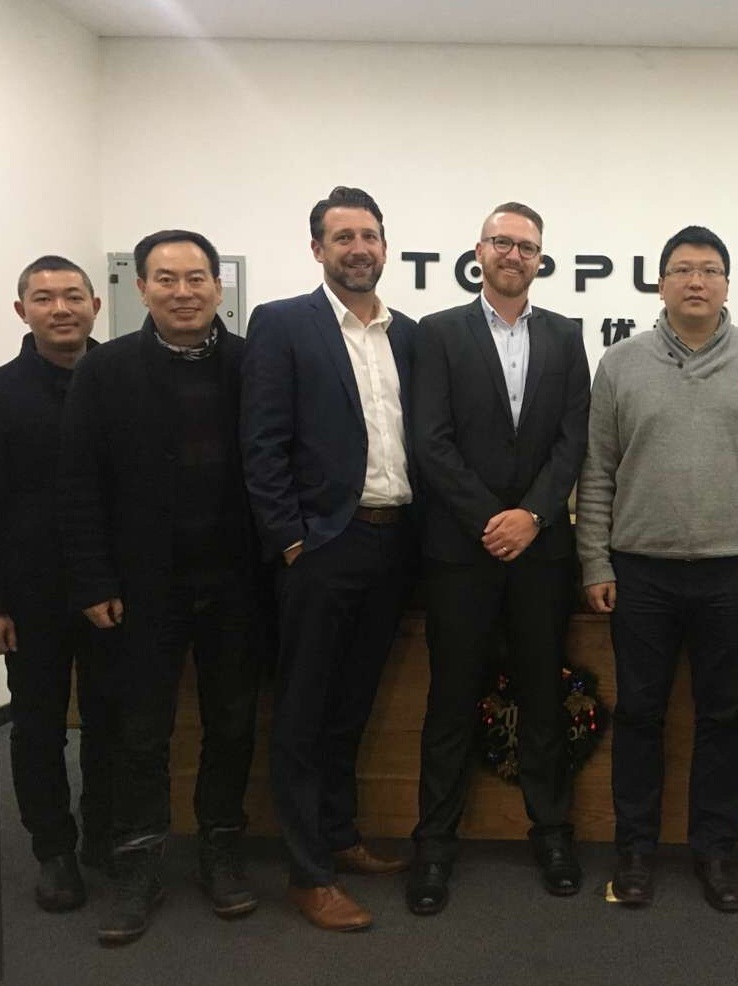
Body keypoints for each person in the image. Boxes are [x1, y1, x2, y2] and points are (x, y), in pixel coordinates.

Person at [576, 225, 738, 912]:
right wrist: (594, 560)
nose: (695, 281)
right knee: (639, 715)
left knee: (723, 718)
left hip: (733, 572)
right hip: (639, 571)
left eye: (708, 270)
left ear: (728, 284)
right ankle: (635, 851)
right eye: (681, 269)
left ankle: (715, 851)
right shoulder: (621, 363)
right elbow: (597, 470)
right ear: (660, 283)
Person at [60, 231, 262, 945]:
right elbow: (78, 482)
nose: (184, 292)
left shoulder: (251, 363)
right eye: (167, 279)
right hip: (142, 587)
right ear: (141, 288)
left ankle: (219, 850)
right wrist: (91, 577)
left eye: (197, 278)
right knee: (140, 732)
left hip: (236, 583)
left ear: (217, 287)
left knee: (232, 724)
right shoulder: (105, 369)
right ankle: (138, 864)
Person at [241, 186, 417, 933]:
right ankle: (308, 873)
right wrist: (291, 538)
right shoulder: (283, 324)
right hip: (322, 547)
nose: (358, 248)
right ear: (317, 249)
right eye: (342, 237)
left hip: (394, 543)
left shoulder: (408, 335)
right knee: (304, 712)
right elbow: (262, 443)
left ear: (385, 246)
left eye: (368, 235)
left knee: (351, 705)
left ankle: (340, 836)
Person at [407, 202, 589, 915]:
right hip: (462, 550)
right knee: (451, 697)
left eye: (527, 246)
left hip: (541, 552)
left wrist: (533, 516)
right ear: (478, 251)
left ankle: (552, 832)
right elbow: (430, 439)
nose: (514, 254)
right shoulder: (438, 333)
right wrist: (492, 519)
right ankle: (434, 845)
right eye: (502, 242)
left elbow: (573, 440)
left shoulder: (566, 335)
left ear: (541, 259)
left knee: (543, 694)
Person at [1, 256, 112, 914]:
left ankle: (103, 830)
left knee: (111, 718)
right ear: (22, 312)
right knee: (39, 725)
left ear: (96, 304)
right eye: (44, 298)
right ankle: (54, 850)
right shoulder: (4, 392)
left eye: (73, 295)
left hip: (113, 589)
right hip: (30, 593)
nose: (61, 308)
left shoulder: (121, 381)